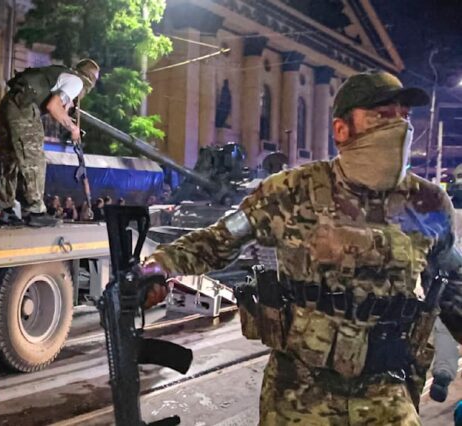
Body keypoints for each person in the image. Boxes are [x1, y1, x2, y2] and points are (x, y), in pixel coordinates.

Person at [139, 71, 462, 423]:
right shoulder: (289, 192)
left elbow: (452, 281)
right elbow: (218, 240)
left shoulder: (429, 203)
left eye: (404, 115)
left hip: (387, 393)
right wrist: (159, 266)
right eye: (382, 115)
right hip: (298, 395)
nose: (399, 125)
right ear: (341, 130)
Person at [0, 59, 100, 227]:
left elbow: (58, 106)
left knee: (10, 160)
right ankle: (35, 211)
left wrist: (68, 117)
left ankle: (6, 210)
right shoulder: (77, 82)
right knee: (34, 159)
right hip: (24, 108)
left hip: (10, 103)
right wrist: (73, 128)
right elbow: (53, 106)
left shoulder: (62, 74)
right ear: (91, 78)